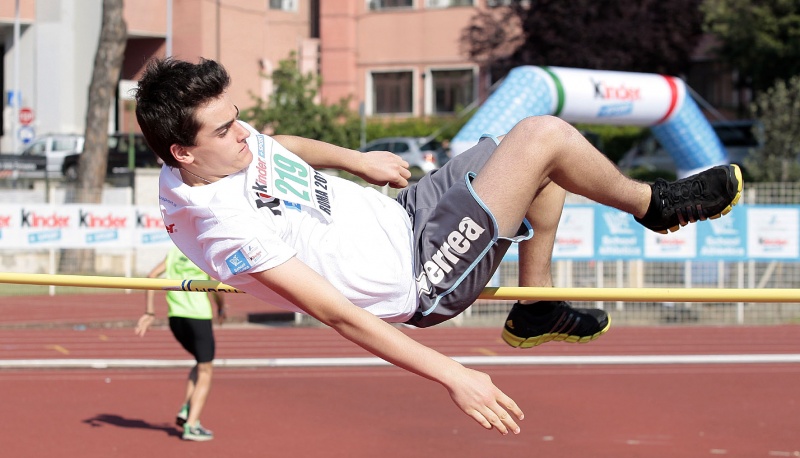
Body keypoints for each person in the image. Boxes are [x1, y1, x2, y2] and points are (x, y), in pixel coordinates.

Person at [134, 57, 742, 436]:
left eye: (237, 118)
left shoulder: (217, 150)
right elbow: (337, 315)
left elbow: (276, 144)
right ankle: (654, 205)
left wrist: (355, 159)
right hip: (419, 274)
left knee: (539, 162)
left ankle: (536, 307)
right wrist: (453, 374)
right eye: (225, 130)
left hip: (406, 213)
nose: (243, 134)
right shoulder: (222, 227)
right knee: (543, 136)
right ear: (182, 152)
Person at [135, 244, 226, 441]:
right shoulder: (204, 253)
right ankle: (191, 425)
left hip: (175, 318)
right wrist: (221, 307)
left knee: (201, 364)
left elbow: (151, 276)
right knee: (206, 370)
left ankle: (186, 409)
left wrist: (150, 311)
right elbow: (215, 286)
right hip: (198, 317)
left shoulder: (176, 251)